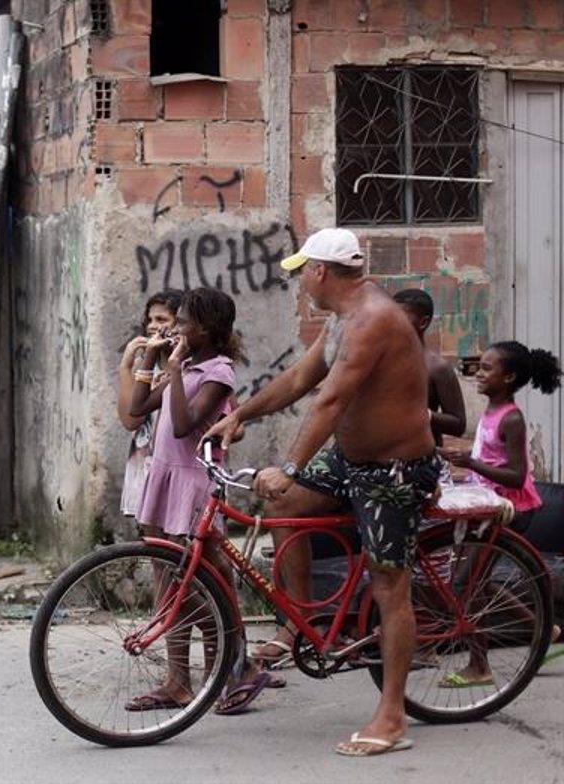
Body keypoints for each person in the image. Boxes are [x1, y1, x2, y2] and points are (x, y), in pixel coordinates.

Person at [206, 227, 441, 757]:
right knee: (283, 503)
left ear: (320, 272)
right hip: (351, 460)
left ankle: (393, 715)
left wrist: (289, 464)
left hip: (394, 470)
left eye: (302, 273)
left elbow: (331, 402)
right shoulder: (340, 319)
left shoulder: (375, 319)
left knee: (389, 586)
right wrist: (239, 414)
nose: (300, 284)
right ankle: (304, 623)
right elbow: (298, 380)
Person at [126, 287, 274, 715]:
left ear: (205, 329)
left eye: (183, 323)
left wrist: (172, 370)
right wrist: (151, 361)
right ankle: (180, 680)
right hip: (163, 476)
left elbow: (184, 426)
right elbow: (138, 408)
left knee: (207, 581)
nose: (174, 329)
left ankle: (225, 671)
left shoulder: (218, 372)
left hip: (193, 481)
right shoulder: (186, 365)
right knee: (173, 580)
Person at [439, 340, 563, 685]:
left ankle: (480, 666)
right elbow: (488, 464)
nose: (478, 374)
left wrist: (472, 462)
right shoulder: (492, 410)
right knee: (475, 581)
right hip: (487, 505)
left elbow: (518, 475)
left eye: (487, 368)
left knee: (467, 584)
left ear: (508, 377)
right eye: (479, 367)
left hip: (509, 510)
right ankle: (546, 629)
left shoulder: (512, 418)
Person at [117, 290, 182, 517]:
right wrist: (126, 369)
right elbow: (130, 420)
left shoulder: (190, 365)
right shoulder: (144, 368)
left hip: (179, 462)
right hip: (146, 461)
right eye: (150, 320)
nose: (153, 326)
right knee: (152, 538)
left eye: (162, 320)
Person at [393, 289, 466, 445]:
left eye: (400, 317)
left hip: (421, 459)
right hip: (381, 460)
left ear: (423, 322)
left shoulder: (437, 367)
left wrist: (419, 413)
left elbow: (458, 424)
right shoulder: (382, 359)